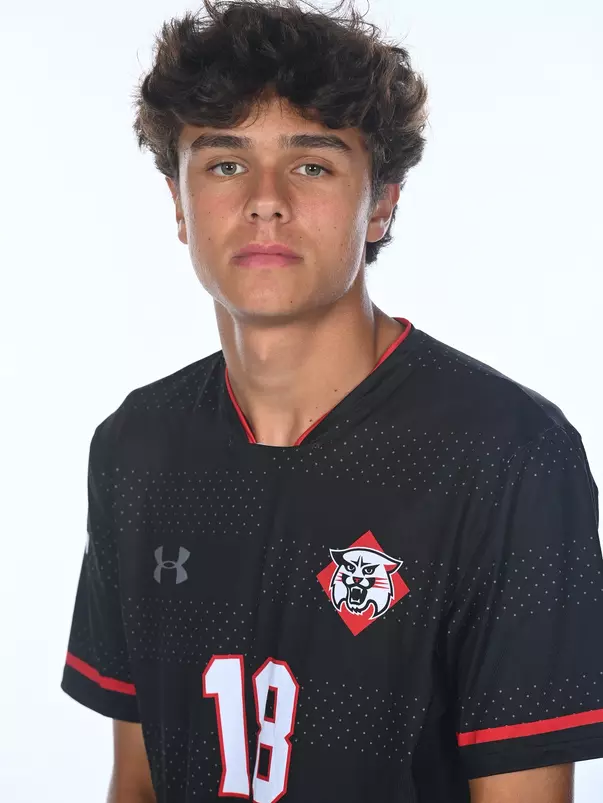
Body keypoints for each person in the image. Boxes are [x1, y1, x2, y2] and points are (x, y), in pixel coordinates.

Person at [60, 1, 603, 801]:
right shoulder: (136, 446)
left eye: (311, 165)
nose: (265, 199)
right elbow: (137, 782)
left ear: (380, 203)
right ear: (179, 202)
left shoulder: (507, 454)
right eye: (224, 163)